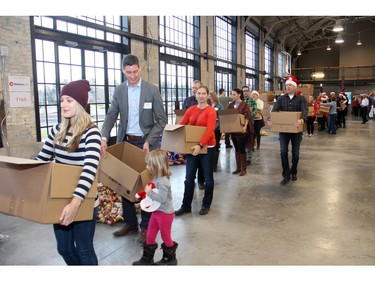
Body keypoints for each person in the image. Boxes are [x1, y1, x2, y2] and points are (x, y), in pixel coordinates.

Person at [100, 54, 167, 244]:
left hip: (146, 144)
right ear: (123, 71)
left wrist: (150, 140)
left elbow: (162, 120)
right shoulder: (120, 91)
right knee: (125, 183)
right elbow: (111, 115)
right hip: (126, 142)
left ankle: (146, 226)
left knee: (146, 186)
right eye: (128, 72)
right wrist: (104, 137)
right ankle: (130, 222)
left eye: (135, 71)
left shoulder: (151, 90)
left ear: (140, 69)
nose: (132, 76)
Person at [35, 79, 102, 265]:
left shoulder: (91, 133)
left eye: (69, 100)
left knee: (84, 249)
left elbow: (89, 170)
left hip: (83, 200)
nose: (63, 104)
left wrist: (75, 203)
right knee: (64, 248)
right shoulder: (57, 131)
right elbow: (41, 159)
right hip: (60, 199)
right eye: (62, 99)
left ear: (80, 104)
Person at [175, 85, 216, 216]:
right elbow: (182, 124)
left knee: (208, 179)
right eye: (199, 93)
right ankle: (186, 206)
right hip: (192, 148)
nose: (201, 96)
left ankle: (206, 205)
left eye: (204, 93)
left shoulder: (211, 111)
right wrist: (173, 133)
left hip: (207, 148)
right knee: (188, 178)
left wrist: (200, 145)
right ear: (195, 95)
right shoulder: (191, 109)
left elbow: (210, 130)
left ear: (208, 95)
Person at [132, 149, 178, 266]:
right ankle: (147, 259)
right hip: (157, 212)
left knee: (165, 235)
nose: (147, 167)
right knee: (150, 233)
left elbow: (162, 198)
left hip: (165, 214)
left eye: (149, 164)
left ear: (156, 166)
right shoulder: (157, 177)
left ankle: (170, 259)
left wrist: (149, 193)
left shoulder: (163, 181)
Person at [269, 75, 308, 186]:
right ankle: (286, 175)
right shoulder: (281, 99)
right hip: (284, 131)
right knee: (283, 152)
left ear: (295, 87)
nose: (288, 87)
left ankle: (293, 171)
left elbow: (305, 111)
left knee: (295, 154)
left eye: (290, 85)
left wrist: (301, 120)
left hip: (296, 131)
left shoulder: (301, 99)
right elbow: (275, 111)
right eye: (287, 85)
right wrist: (270, 120)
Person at [182, 80, 207, 190]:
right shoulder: (188, 101)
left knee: (201, 162)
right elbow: (183, 116)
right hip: (189, 134)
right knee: (190, 160)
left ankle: (201, 181)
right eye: (193, 88)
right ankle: (190, 179)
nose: (194, 89)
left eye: (196, 88)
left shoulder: (206, 102)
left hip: (201, 135)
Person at [227, 88, 252, 176]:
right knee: (236, 148)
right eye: (231, 94)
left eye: (234, 94)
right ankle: (238, 167)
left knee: (241, 148)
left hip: (242, 131)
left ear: (239, 95)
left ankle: (243, 169)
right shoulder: (230, 105)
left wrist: (245, 127)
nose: (232, 96)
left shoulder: (244, 104)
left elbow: (247, 116)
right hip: (233, 130)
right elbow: (228, 116)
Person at [208, 91, 223, 172]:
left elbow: (221, 118)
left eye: (211, 96)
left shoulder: (219, 106)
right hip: (209, 129)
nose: (210, 98)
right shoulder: (208, 105)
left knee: (216, 146)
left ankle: (214, 165)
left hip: (217, 129)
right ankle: (209, 164)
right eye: (209, 96)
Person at [242, 85, 257, 164]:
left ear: (249, 91)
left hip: (250, 124)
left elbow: (255, 110)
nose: (245, 92)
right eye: (244, 91)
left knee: (249, 140)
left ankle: (249, 158)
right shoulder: (240, 101)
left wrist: (249, 116)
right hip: (241, 124)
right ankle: (243, 156)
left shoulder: (252, 101)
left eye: (247, 91)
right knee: (242, 141)